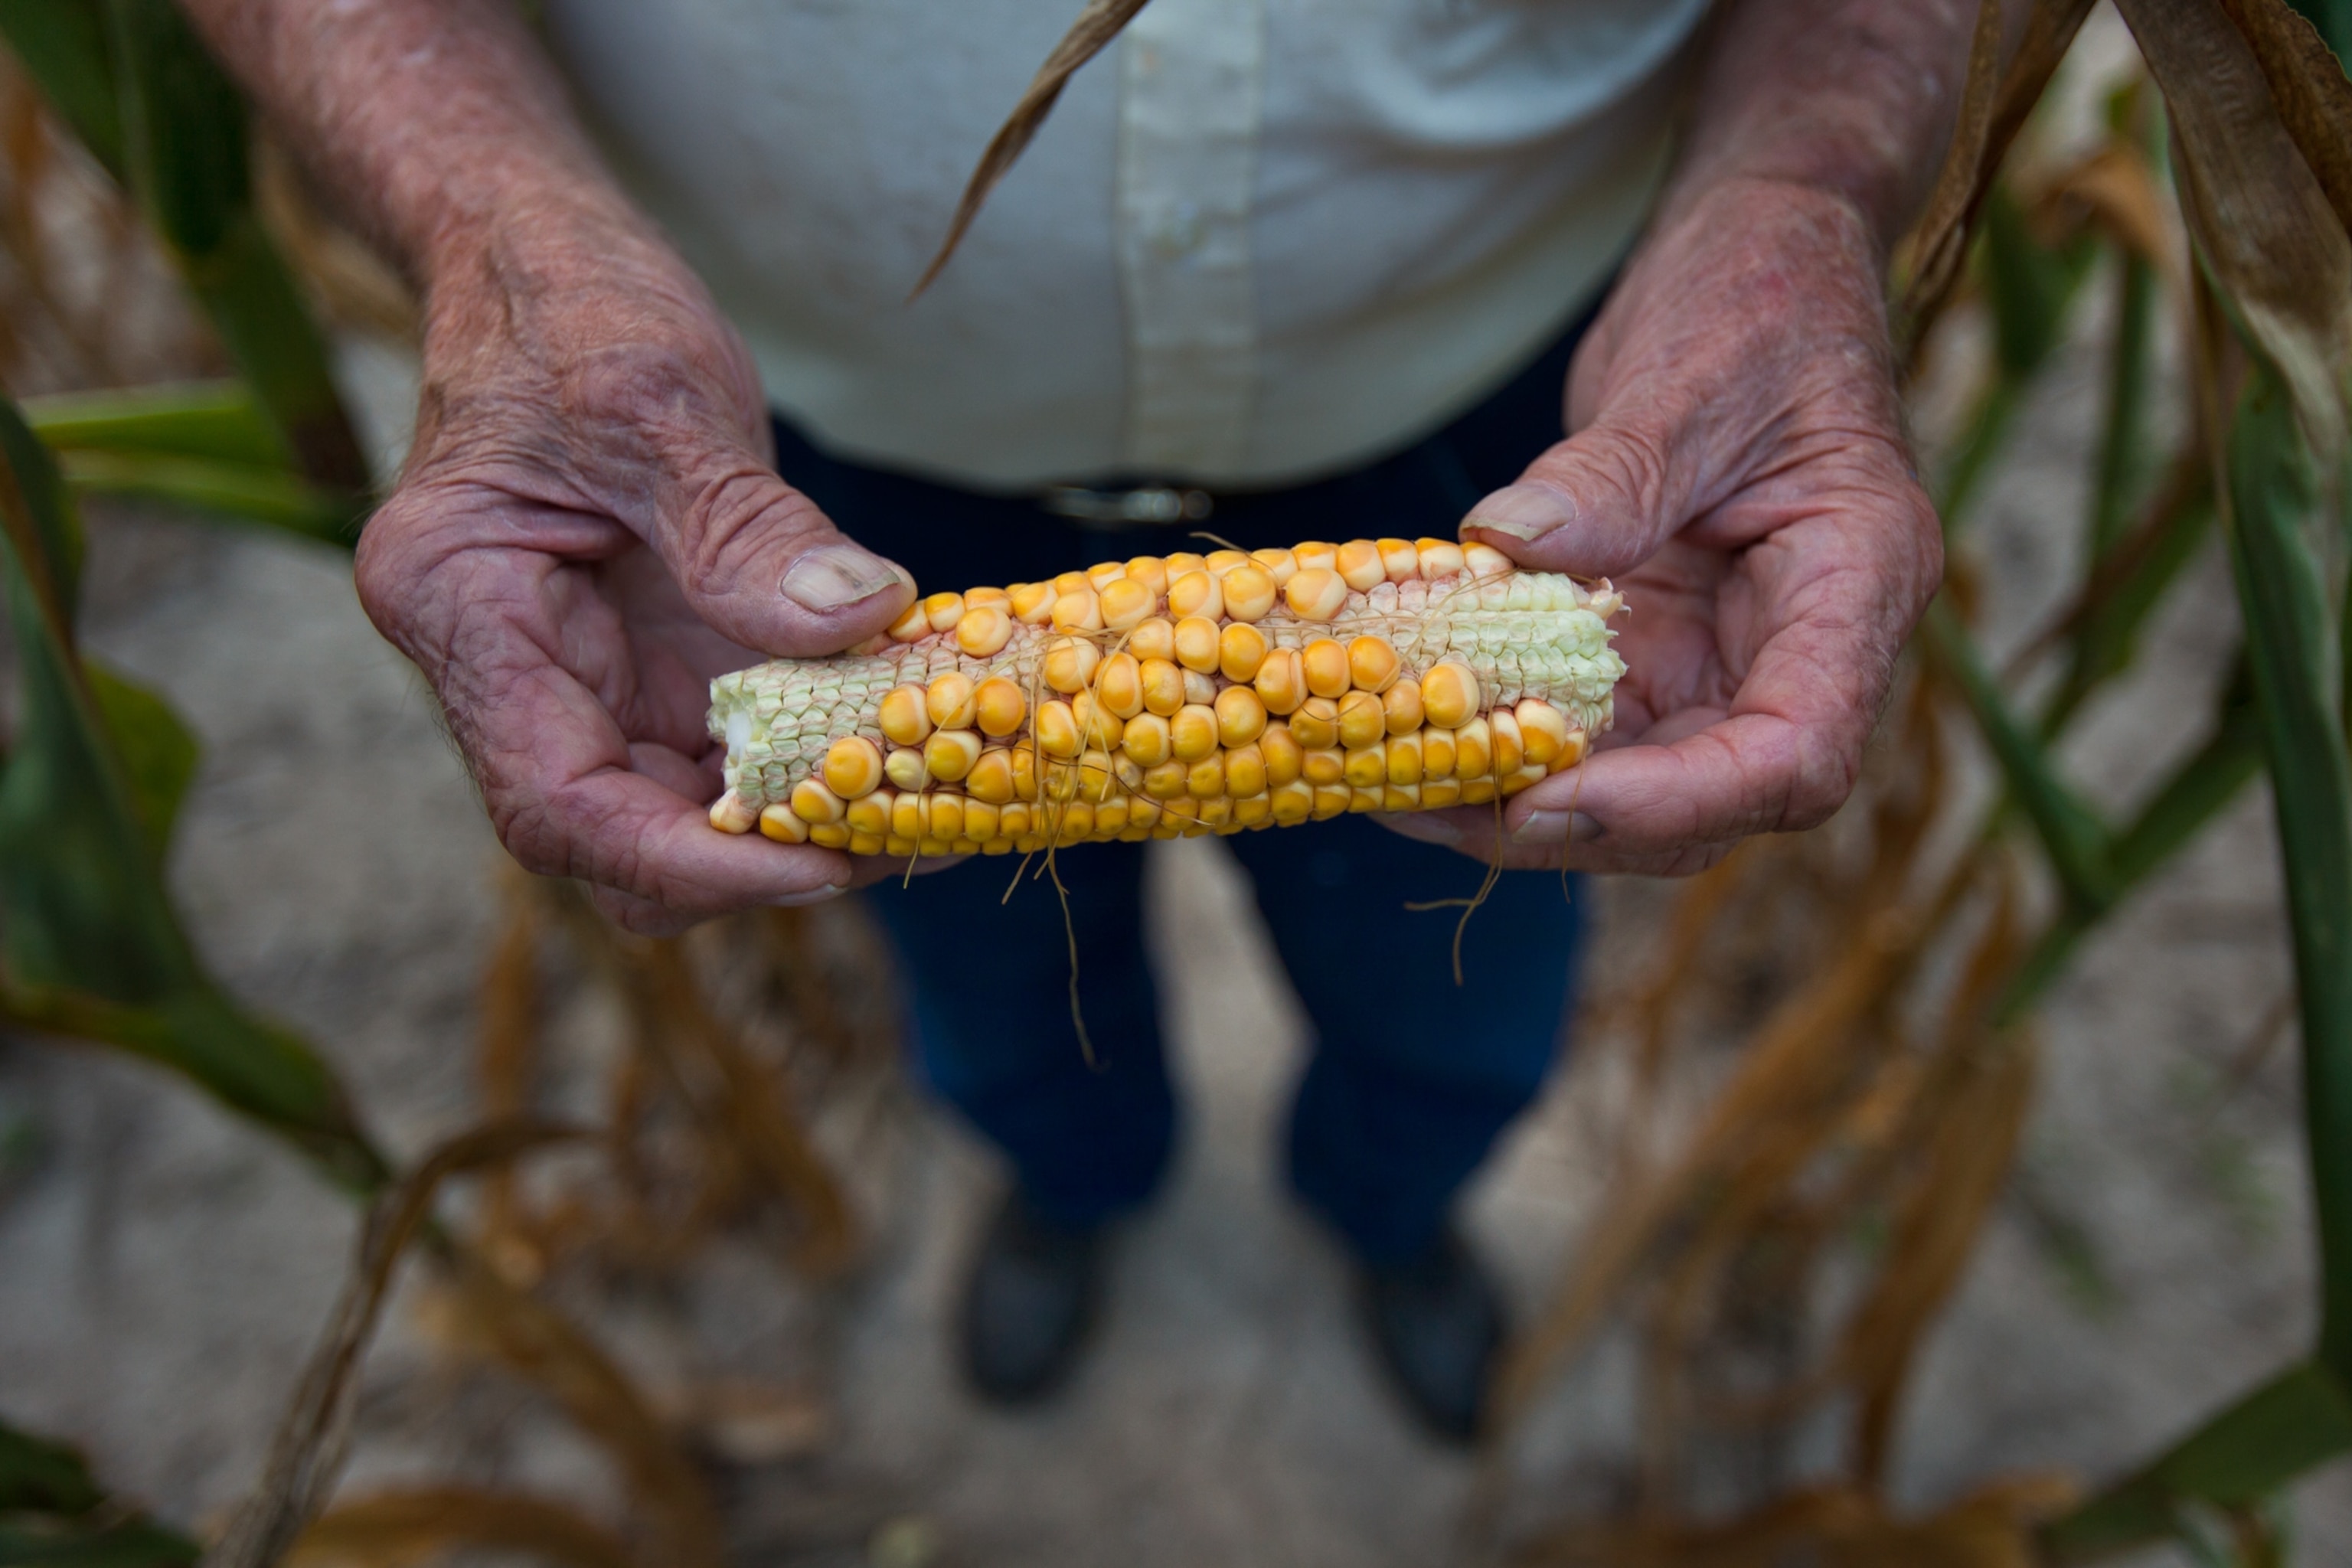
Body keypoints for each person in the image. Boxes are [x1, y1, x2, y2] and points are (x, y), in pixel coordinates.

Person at [186, 0, 1954, 1441]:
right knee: (990, 970)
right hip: (793, 459)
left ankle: (1389, 1210)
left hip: (1524, 444)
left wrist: (1801, 188)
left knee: (1457, 966)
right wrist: (487, 222)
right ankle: (1074, 1183)